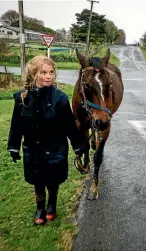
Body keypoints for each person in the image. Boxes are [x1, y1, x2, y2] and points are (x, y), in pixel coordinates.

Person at [7, 55, 88, 225]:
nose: (49, 76)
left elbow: (69, 125)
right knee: (38, 180)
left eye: (51, 72)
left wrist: (78, 145)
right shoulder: (22, 99)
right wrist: (13, 146)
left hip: (55, 148)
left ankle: (52, 205)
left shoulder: (60, 98)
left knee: (52, 180)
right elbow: (17, 125)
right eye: (44, 72)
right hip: (33, 149)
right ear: (33, 74)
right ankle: (40, 207)